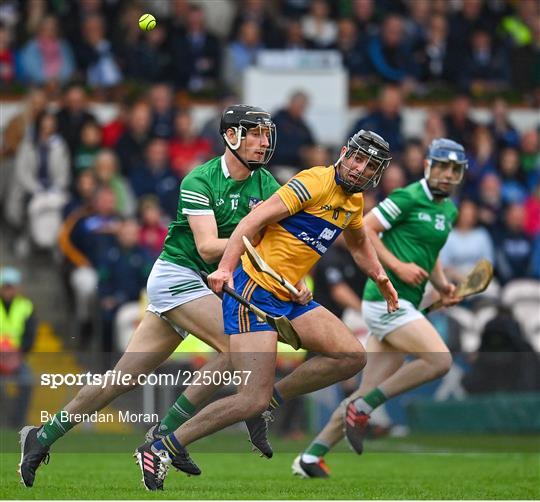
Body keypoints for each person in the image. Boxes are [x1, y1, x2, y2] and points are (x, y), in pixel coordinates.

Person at [18, 104, 282, 488]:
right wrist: (255, 239)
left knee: (120, 379)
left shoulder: (266, 183)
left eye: (265, 134)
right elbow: (208, 248)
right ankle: (168, 436)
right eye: (254, 133)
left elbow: (284, 233)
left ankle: (41, 438)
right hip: (177, 276)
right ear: (231, 136)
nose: (264, 141)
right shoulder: (200, 180)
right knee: (236, 346)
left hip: (203, 284)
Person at [137, 129, 399, 491]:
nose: (359, 168)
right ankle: (163, 447)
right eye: (356, 158)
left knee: (351, 356)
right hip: (252, 290)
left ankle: (270, 401)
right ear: (343, 153)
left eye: (369, 165)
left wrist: (381, 276)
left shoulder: (353, 203)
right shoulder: (313, 182)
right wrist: (226, 268)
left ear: (377, 173)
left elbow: (358, 243)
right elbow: (250, 223)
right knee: (249, 398)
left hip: (288, 296)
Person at [294, 138, 465, 478]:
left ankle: (310, 457)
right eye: (442, 166)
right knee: (439, 359)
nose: (447, 174)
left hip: (408, 302)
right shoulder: (407, 197)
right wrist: (397, 268)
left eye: (455, 169)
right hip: (384, 300)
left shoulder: (449, 210)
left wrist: (442, 285)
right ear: (429, 166)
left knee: (365, 388)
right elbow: (366, 229)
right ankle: (364, 408)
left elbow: (429, 254)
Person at [0, 267, 37, 428]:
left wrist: (16, 354)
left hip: (17, 358)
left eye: (11, 286)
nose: (8, 290)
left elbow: (30, 336)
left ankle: (18, 421)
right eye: (6, 286)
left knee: (27, 381)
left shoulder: (26, 306)